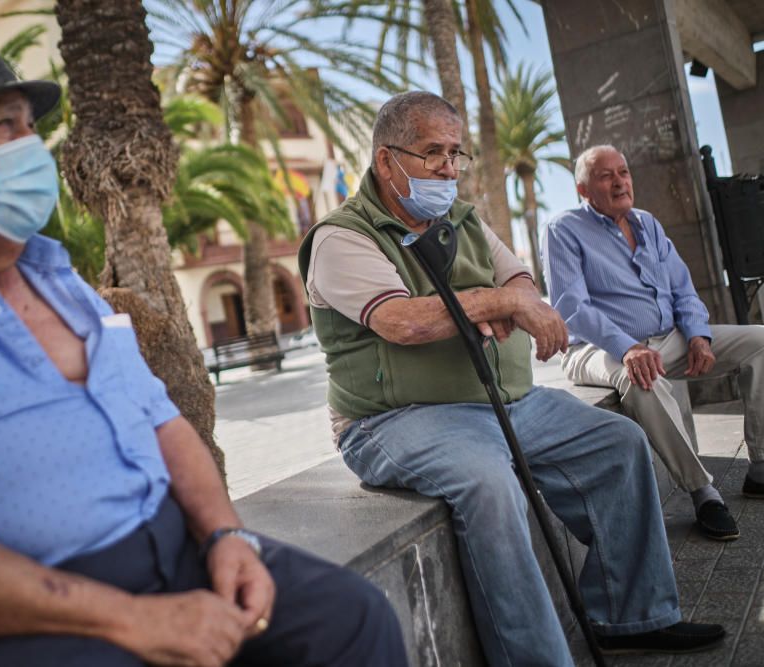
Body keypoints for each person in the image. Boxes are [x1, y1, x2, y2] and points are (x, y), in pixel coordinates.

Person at [0, 21, 407, 667]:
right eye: (5, 127)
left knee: (351, 620)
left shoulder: (51, 275)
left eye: (30, 125)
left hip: (172, 558)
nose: (35, 146)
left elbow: (159, 419)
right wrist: (134, 620)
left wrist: (226, 532)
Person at [298, 91, 726, 665]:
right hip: (393, 420)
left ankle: (631, 616)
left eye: (456, 154)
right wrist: (494, 304)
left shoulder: (464, 220)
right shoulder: (340, 237)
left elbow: (520, 282)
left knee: (619, 443)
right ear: (385, 161)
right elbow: (401, 320)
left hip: (505, 403)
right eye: (433, 154)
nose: (449, 169)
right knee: (488, 483)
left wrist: (507, 301)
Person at [544, 144, 764, 542]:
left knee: (760, 340)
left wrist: (697, 333)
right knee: (639, 376)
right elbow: (570, 307)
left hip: (668, 339)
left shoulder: (648, 223)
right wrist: (627, 346)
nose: (619, 181)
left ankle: (761, 467)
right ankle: (703, 492)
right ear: (582, 189)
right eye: (605, 175)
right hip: (596, 349)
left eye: (623, 172)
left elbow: (683, 289)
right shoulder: (564, 228)